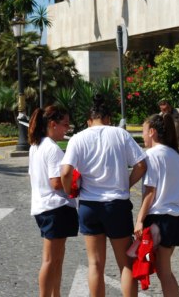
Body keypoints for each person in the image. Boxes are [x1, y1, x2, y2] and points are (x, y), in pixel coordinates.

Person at [61, 95, 147, 297]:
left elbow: (65, 172)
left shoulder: (78, 138)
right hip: (116, 205)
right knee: (125, 264)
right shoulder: (120, 134)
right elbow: (141, 164)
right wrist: (125, 183)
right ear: (108, 118)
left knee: (95, 265)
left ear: (89, 120)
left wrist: (69, 191)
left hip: (89, 206)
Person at [134, 114, 179, 296]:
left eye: (143, 131)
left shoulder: (151, 155)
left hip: (160, 219)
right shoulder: (176, 156)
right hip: (176, 218)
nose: (142, 136)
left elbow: (150, 192)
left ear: (152, 132)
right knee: (164, 269)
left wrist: (139, 220)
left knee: (164, 271)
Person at [28, 105, 79, 297]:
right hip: (55, 207)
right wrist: (75, 180)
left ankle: (56, 294)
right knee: (51, 260)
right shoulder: (52, 149)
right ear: (52, 124)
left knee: (56, 259)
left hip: (44, 206)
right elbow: (57, 182)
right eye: (64, 125)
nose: (67, 129)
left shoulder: (36, 146)